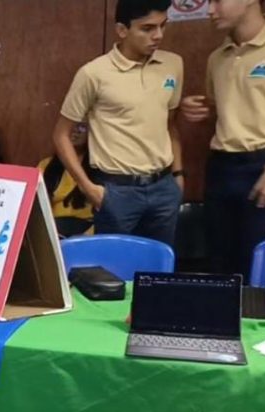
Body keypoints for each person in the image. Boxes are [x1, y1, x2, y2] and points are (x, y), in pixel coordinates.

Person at [181, 0, 265, 276]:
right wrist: (201, 108)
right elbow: (229, 107)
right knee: (218, 267)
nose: (209, 11)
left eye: (217, 1)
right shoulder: (218, 56)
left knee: (258, 270)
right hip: (220, 167)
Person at [53, 0, 185, 247]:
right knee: (114, 275)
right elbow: (61, 135)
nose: (158, 36)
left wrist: (178, 176)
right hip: (117, 192)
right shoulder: (93, 74)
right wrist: (88, 188)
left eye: (163, 26)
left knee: (156, 272)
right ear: (122, 30)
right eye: (147, 29)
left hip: (164, 188)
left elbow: (170, 124)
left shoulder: (173, 64)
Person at [39, 122, 95, 237]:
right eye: (71, 126)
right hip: (53, 228)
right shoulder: (46, 165)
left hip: (88, 228)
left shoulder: (99, 168)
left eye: (82, 127)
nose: (75, 131)